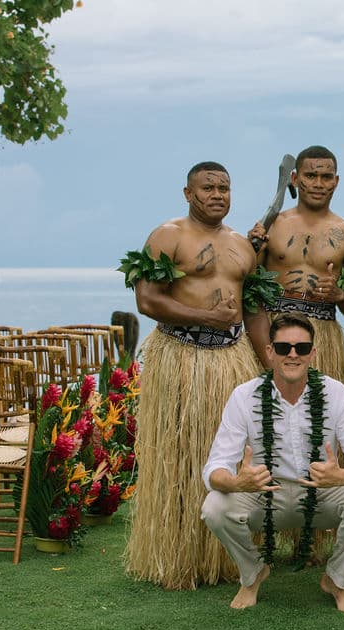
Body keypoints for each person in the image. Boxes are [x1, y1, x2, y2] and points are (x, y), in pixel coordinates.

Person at [125, 161, 262, 590]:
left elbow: (252, 308)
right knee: (179, 455)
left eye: (224, 187)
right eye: (208, 187)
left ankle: (226, 559)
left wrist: (266, 363)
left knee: (230, 453)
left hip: (232, 359)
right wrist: (207, 316)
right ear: (188, 193)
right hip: (181, 357)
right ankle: (177, 557)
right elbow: (147, 299)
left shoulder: (243, 245)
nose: (217, 194)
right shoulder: (168, 236)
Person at [201, 313, 344, 613]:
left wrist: (342, 477)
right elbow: (215, 466)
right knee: (215, 507)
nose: (293, 354)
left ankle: (337, 579)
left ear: (313, 352)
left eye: (301, 347)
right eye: (284, 348)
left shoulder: (334, 393)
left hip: (322, 492)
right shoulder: (244, 396)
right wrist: (236, 483)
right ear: (270, 352)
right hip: (265, 493)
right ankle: (253, 572)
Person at [247, 145, 344, 384]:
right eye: (310, 176)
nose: (318, 184)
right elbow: (248, 290)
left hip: (322, 337)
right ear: (294, 178)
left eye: (326, 177)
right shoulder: (271, 227)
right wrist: (250, 251)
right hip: (273, 330)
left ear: (336, 181)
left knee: (317, 417)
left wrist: (341, 296)